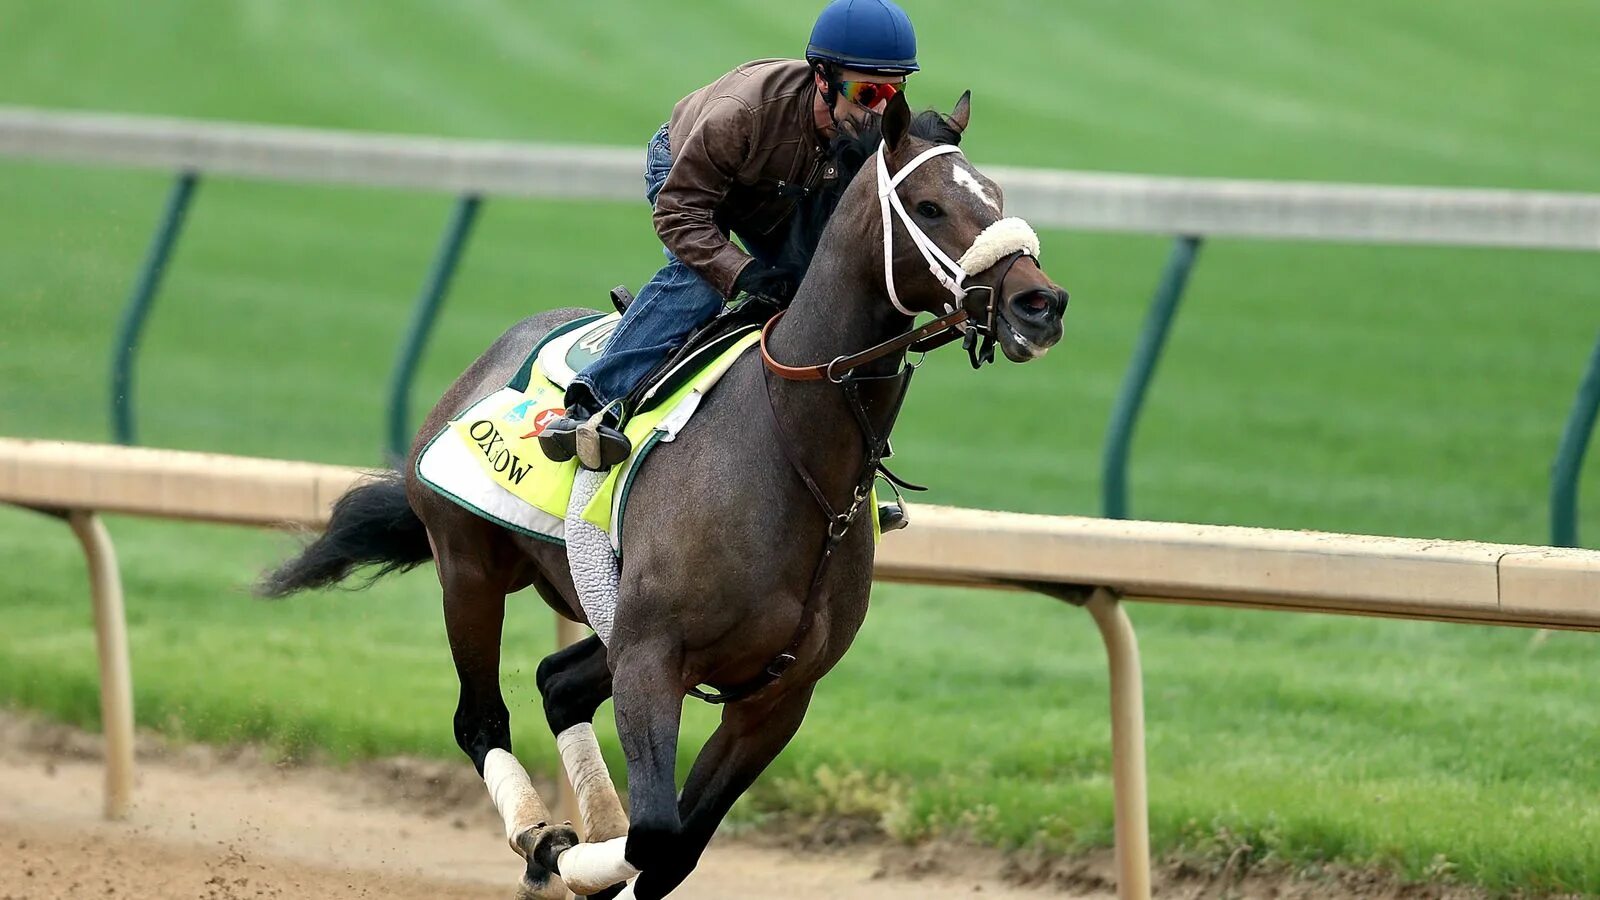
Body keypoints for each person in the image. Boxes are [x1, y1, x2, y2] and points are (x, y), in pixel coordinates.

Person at [538, 0, 920, 472]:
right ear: (822, 78)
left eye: (894, 93)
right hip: (688, 177)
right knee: (702, 282)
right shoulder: (741, 113)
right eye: (868, 93)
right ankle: (590, 405)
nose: (882, 110)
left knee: (823, 291)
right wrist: (742, 272)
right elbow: (679, 214)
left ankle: (849, 458)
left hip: (782, 187)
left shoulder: (865, 124)